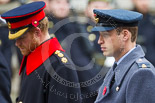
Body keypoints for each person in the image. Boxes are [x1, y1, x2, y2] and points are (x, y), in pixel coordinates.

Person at [1, 1, 82, 103]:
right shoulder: (33, 57)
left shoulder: (59, 67)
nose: (17, 44)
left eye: (21, 38)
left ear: (37, 32)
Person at [92, 9, 155, 103]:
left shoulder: (141, 73)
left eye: (105, 35)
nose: (99, 41)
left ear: (125, 35)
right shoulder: (118, 65)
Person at [132, 0, 155, 66]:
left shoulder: (152, 20)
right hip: (133, 64)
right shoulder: (127, 19)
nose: (144, 3)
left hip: (152, 63)